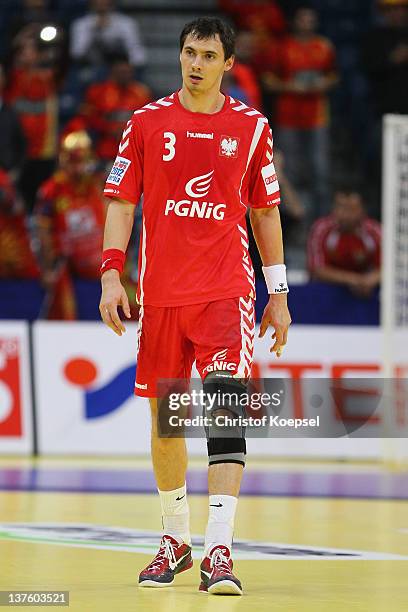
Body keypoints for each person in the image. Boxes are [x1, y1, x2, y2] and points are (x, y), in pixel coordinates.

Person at [99, 17, 291, 596]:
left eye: (209, 54)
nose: (196, 63)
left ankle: (222, 550)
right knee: (167, 423)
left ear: (229, 63)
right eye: (189, 52)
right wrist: (112, 274)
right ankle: (175, 539)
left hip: (225, 292)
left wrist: (278, 294)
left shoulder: (251, 127)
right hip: (159, 297)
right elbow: (121, 202)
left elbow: (265, 213)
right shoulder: (145, 123)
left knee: (226, 412)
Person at [263, 6, 338, 220]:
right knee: (290, 173)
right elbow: (267, 80)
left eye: (310, 19)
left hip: (317, 117)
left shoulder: (324, 46)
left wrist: (323, 83)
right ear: (295, 22)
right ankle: (291, 222)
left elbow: (334, 76)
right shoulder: (282, 47)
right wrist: (290, 87)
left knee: (320, 172)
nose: (307, 23)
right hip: (288, 117)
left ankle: (321, 222)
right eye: (303, 19)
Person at [35, 131, 106, 319]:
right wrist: (47, 268)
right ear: (63, 160)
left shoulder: (100, 185)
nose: (78, 168)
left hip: (101, 262)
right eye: (73, 161)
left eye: (81, 161)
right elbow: (42, 231)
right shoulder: (51, 190)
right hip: (67, 266)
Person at [78, 53, 152, 163]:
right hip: (106, 150)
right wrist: (109, 128)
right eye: (121, 72)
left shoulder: (142, 93)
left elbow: (150, 121)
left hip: (134, 151)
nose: (125, 76)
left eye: (127, 72)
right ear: (113, 72)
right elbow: (88, 118)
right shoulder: (98, 92)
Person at [307, 187, 381, 298]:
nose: (345, 214)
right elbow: (316, 269)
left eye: (351, 209)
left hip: (367, 294)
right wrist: (353, 279)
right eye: (341, 208)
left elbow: (390, 266)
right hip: (326, 295)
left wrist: (372, 279)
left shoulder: (374, 231)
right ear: (333, 208)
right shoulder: (321, 229)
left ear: (363, 210)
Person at [70, 0, 146, 72]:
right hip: (91, 67)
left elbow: (136, 51)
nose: (102, 2)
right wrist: (94, 30)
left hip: (119, 67)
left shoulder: (126, 23)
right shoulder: (81, 24)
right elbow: (77, 53)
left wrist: (132, 67)